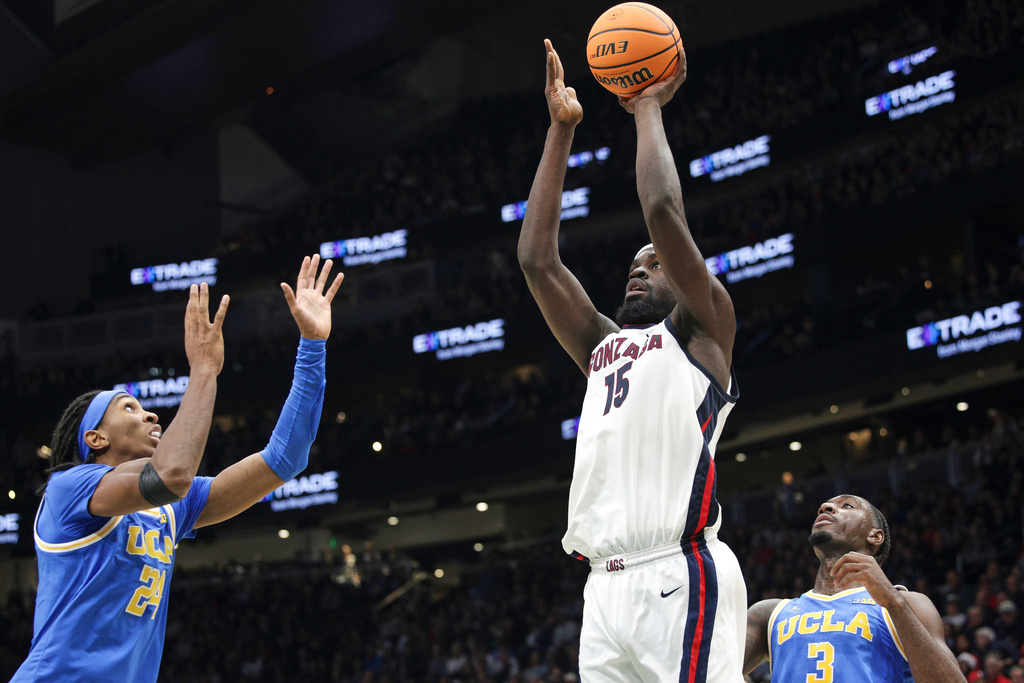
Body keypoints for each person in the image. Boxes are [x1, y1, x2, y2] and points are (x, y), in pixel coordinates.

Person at [517, 40, 744, 681]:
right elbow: (537, 260)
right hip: (602, 586)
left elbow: (662, 209)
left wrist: (645, 105)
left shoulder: (704, 331)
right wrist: (562, 130)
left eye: (653, 264)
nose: (638, 272)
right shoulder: (603, 347)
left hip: (679, 568)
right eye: (632, 267)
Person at [13, 255, 344, 682]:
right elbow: (172, 475)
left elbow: (285, 459)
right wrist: (204, 369)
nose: (152, 416)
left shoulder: (170, 509)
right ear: (95, 439)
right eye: (130, 408)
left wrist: (312, 347)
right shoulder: (69, 489)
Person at [743, 494, 965, 682]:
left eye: (847, 505)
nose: (826, 507)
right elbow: (712, 669)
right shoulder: (769, 614)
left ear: (875, 535)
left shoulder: (908, 604)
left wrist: (893, 602)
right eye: (825, 506)